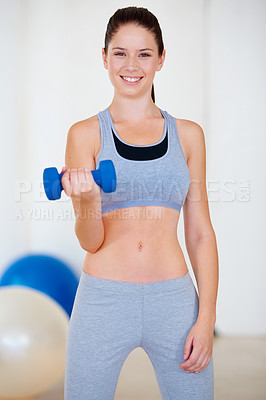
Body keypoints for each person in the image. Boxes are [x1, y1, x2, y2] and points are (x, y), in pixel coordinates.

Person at [63, 6, 219, 400]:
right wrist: (87, 200)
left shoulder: (188, 136)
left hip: (175, 303)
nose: (131, 65)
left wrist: (206, 318)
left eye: (144, 53)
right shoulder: (85, 134)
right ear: (104, 57)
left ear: (160, 59)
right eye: (120, 53)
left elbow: (200, 232)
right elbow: (89, 240)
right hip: (103, 300)